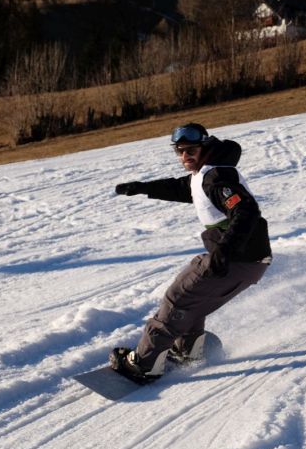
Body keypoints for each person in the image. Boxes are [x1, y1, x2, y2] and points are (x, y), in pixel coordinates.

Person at [109, 123, 272, 384]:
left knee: (178, 298)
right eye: (180, 151)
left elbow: (246, 211)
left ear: (205, 147)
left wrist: (224, 251)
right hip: (249, 261)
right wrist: (143, 187)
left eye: (191, 150)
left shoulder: (216, 177)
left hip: (237, 258)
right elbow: (183, 188)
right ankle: (188, 348)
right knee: (192, 296)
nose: (185, 156)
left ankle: (144, 364)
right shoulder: (205, 174)